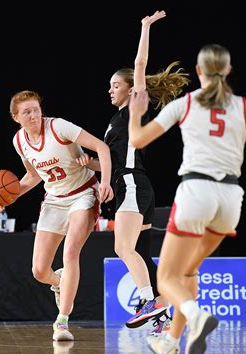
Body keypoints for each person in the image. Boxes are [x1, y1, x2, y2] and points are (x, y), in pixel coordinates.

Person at [128, 43, 246, 354]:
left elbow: (137, 140)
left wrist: (136, 115)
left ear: (198, 72)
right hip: (231, 198)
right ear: (228, 70)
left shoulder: (187, 104)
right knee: (189, 271)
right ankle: (171, 342)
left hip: (196, 191)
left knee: (166, 278)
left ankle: (196, 317)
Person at [77, 11, 190, 334]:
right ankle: (164, 314)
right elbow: (111, 159)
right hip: (134, 184)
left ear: (131, 90)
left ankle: (149, 301)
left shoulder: (133, 108)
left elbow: (140, 66)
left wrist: (144, 27)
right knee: (139, 251)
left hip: (130, 184)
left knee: (121, 248)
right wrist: (93, 165)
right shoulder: (115, 122)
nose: (110, 90)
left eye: (116, 85)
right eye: (109, 86)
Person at [0, 90, 113, 341]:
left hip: (83, 193)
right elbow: (32, 177)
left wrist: (105, 182)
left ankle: (62, 322)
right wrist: (6, 198)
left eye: (36, 109)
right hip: (54, 199)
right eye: (26, 112)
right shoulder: (19, 140)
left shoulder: (59, 127)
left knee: (70, 251)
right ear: (15, 117)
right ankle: (59, 281)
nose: (33, 115)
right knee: (40, 271)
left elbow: (102, 147)